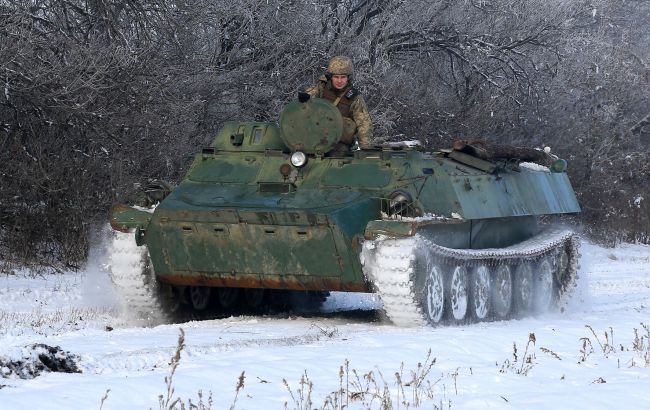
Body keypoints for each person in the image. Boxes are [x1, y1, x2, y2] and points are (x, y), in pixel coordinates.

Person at [299, 56, 373, 152]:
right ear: (331, 77)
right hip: (316, 137)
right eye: (336, 77)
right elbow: (307, 100)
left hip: (339, 143)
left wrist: (365, 148)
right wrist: (304, 99)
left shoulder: (354, 98)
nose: (339, 81)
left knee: (336, 157)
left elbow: (364, 124)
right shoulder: (321, 88)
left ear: (348, 78)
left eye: (343, 77)